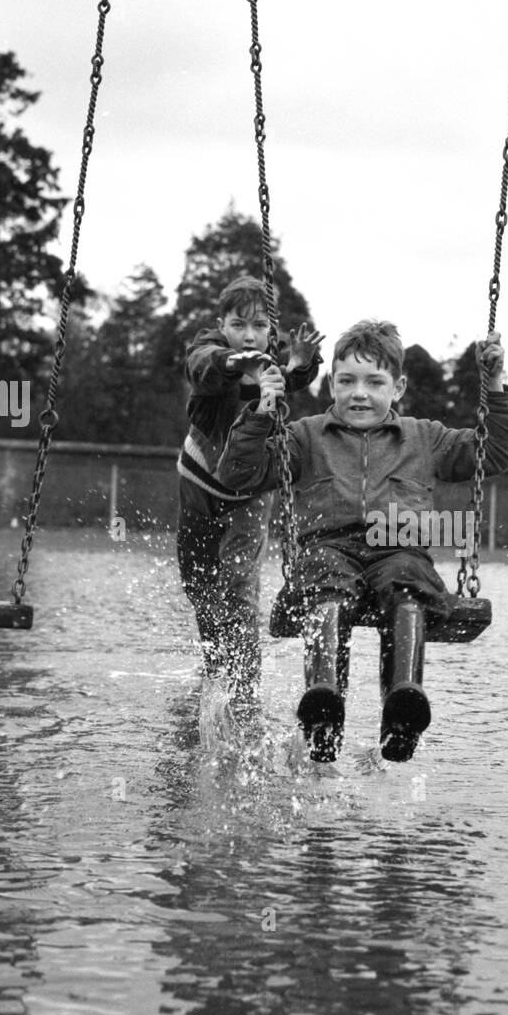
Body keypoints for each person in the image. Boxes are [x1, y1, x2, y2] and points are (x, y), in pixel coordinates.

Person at [215, 318, 508, 763]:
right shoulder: (304, 437)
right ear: (331, 386)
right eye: (347, 381)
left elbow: (491, 453)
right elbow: (237, 473)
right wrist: (262, 412)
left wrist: (494, 386)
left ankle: (402, 708)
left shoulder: (424, 437)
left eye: (374, 382)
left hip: (398, 547)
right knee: (326, 580)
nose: (360, 392)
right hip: (328, 548)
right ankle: (323, 709)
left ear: (397, 387)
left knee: (407, 578)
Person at [176, 275, 323, 720]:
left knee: (239, 585)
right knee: (199, 583)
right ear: (222, 324)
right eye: (238, 324)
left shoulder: (271, 366)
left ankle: (244, 689)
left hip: (250, 494)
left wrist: (299, 365)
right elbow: (205, 366)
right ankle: (214, 659)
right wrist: (244, 360)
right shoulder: (209, 351)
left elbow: (291, 380)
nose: (249, 333)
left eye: (259, 326)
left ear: (270, 331)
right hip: (200, 485)